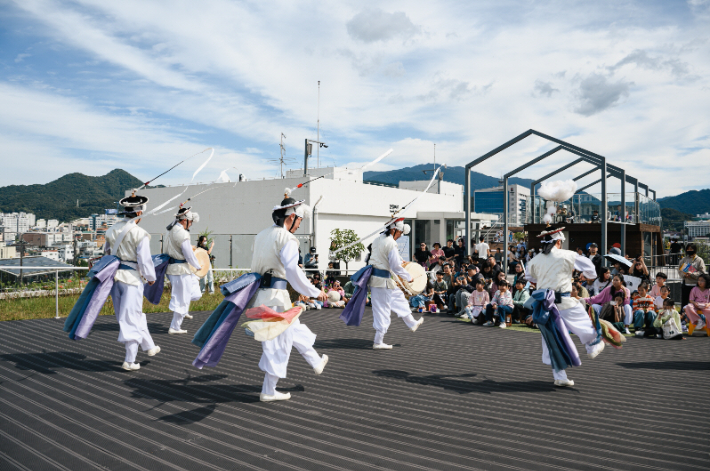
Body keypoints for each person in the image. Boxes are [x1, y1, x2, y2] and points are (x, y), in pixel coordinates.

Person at [249, 193, 329, 401]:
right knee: (278, 343)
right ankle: (268, 391)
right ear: (291, 217)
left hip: (261, 296)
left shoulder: (262, 235)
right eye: (299, 220)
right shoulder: (288, 239)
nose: (299, 226)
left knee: (292, 330)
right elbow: (292, 270)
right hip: (276, 298)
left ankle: (315, 361)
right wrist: (315, 291)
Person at [525, 224, 605, 387]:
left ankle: (560, 375)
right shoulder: (568, 255)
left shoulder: (534, 260)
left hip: (544, 305)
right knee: (583, 321)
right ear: (559, 241)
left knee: (551, 340)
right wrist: (584, 275)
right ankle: (592, 345)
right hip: (563, 300)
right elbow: (592, 272)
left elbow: (530, 278)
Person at [103, 193, 160, 370]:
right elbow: (144, 260)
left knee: (129, 315)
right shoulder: (139, 233)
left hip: (115, 277)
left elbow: (107, 253)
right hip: (132, 279)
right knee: (131, 318)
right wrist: (151, 278)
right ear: (138, 214)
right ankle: (130, 360)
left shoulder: (111, 230)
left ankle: (149, 346)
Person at [366, 217, 424, 348]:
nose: (400, 236)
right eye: (400, 233)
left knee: (399, 298)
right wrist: (409, 277)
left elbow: (384, 257)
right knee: (382, 310)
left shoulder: (377, 240)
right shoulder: (391, 243)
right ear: (394, 230)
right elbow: (396, 267)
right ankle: (378, 341)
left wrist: (398, 260)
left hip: (379, 280)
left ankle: (411, 323)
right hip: (382, 281)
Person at [164, 207, 203, 335]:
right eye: (190, 222)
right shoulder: (182, 233)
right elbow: (188, 254)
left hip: (174, 269)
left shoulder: (171, 230)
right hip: (180, 270)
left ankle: (183, 311)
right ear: (185, 220)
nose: (191, 224)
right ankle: (175, 326)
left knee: (191, 294)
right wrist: (197, 266)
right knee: (182, 298)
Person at [678, 243, 706, 309]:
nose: (689, 250)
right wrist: (684, 275)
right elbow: (679, 270)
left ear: (695, 250)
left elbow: (702, 272)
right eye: (688, 249)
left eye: (691, 249)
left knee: (695, 302)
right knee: (684, 301)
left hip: (696, 285)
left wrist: (692, 274)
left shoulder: (699, 260)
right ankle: (683, 315)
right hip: (686, 284)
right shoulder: (683, 260)